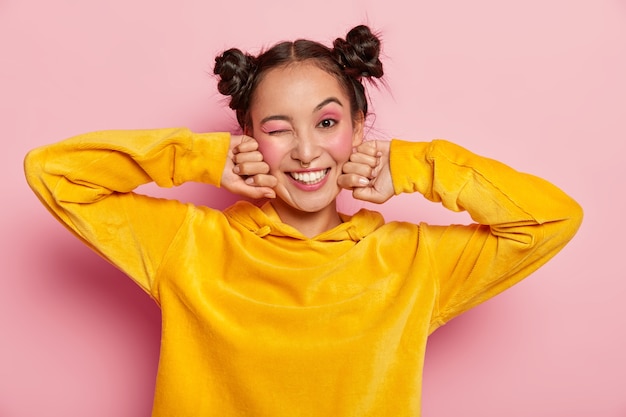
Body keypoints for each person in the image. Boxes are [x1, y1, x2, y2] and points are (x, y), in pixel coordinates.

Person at [24, 25, 582, 417]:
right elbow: (53, 173)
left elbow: (552, 219)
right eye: (279, 128)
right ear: (249, 140)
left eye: (327, 122)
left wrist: (414, 166)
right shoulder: (187, 243)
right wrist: (197, 158)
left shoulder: (417, 262)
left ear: (359, 128)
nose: (307, 151)